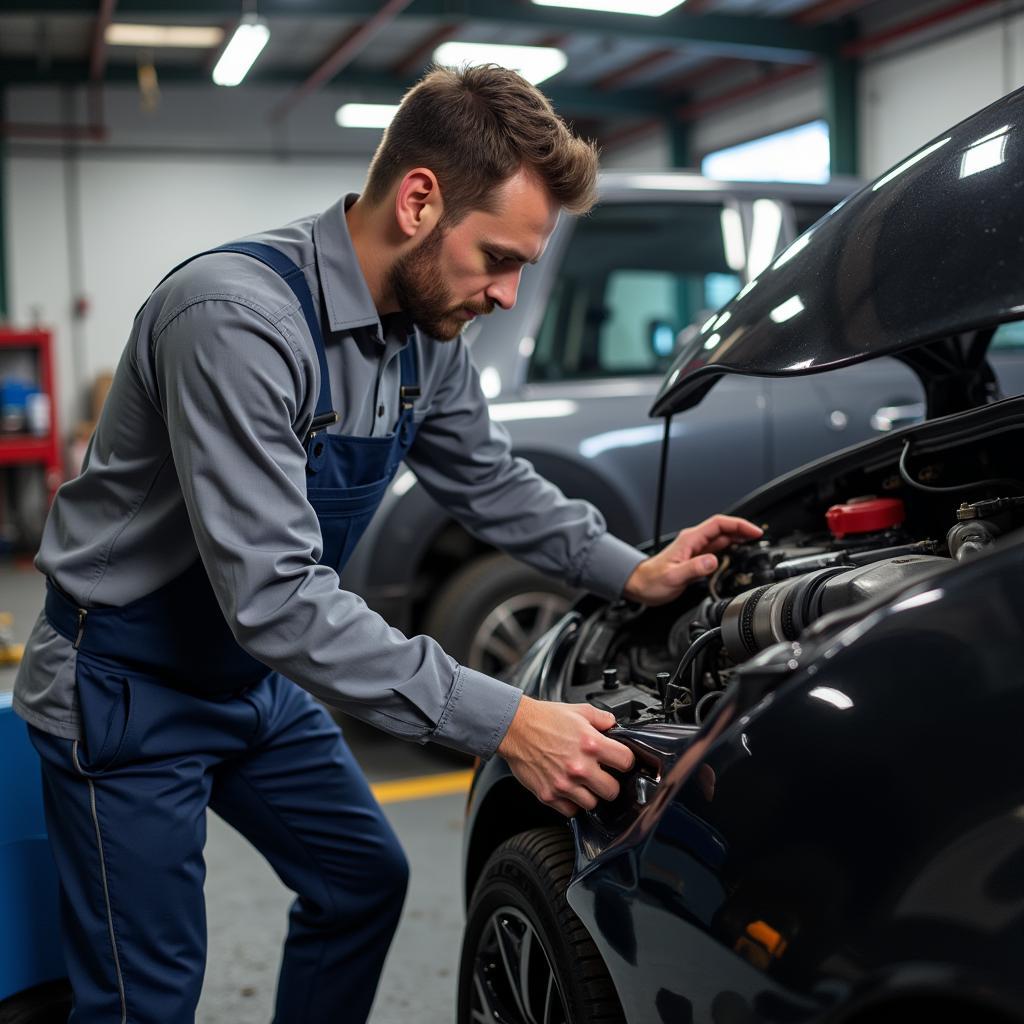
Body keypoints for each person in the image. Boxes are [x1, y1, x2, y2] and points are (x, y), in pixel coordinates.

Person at [14, 64, 761, 1024]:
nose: (505, 293)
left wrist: (633, 568)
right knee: (142, 995)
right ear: (418, 200)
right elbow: (278, 598)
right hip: (127, 683)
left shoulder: (425, 333)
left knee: (361, 880)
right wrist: (505, 719)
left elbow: (487, 480)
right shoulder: (235, 319)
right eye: (497, 257)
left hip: (249, 675)